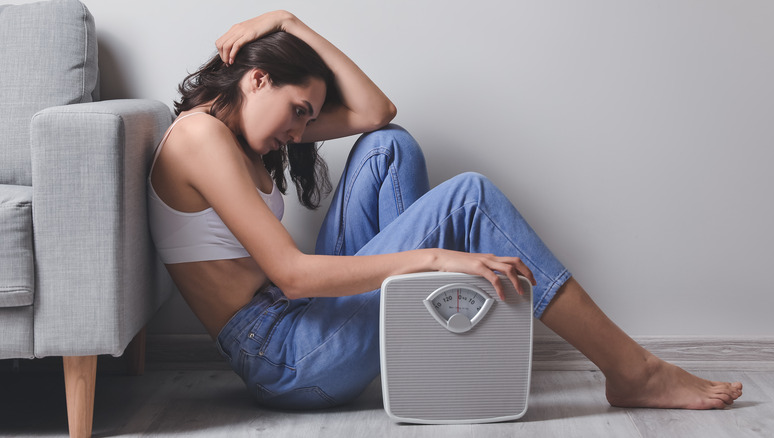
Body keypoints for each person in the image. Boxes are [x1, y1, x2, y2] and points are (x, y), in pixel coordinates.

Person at [148, 10, 742, 411]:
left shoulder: (237, 132)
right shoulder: (200, 138)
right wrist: (435, 256)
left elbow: (377, 112)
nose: (302, 129)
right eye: (300, 109)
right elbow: (294, 274)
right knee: (470, 196)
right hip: (282, 354)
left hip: (295, 319)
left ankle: (428, 346)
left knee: (389, 147)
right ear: (257, 79)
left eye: (308, 116)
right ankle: (633, 372)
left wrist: (289, 20)